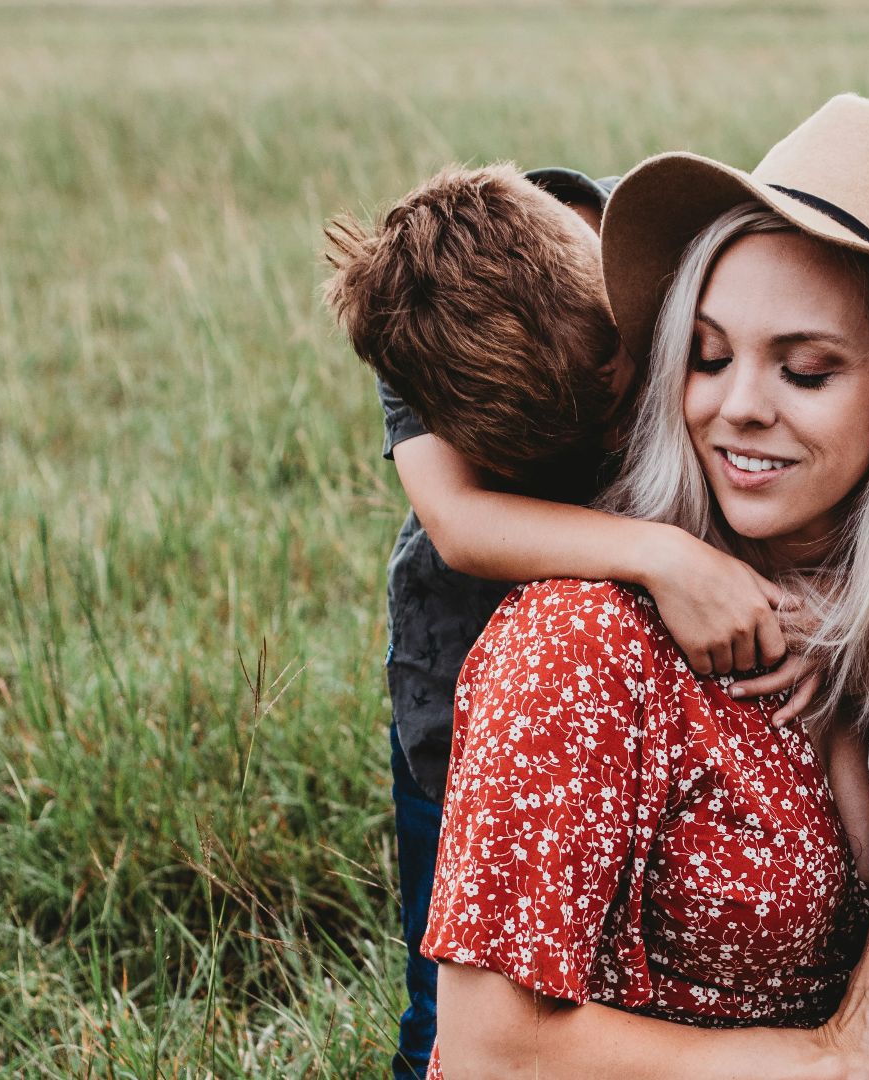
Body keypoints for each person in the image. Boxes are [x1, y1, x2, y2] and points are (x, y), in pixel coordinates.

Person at [418, 93, 869, 1080]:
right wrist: (827, 1061)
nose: (738, 409)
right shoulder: (580, 642)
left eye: (808, 371)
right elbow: (492, 1052)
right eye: (707, 355)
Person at [323, 163, 808, 1079]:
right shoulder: (421, 323)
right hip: (460, 670)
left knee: (621, 970)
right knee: (454, 980)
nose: (624, 436)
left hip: (654, 684)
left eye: (619, 390)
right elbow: (462, 526)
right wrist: (660, 554)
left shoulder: (653, 247)